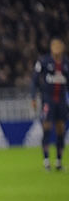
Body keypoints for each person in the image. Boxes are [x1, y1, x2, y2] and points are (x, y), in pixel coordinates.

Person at [31, 37, 69, 171]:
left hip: (62, 101)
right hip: (48, 100)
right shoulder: (44, 61)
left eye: (59, 45)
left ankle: (59, 161)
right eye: (54, 45)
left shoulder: (66, 63)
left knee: (61, 129)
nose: (57, 48)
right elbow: (34, 80)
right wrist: (33, 97)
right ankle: (46, 160)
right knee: (46, 128)